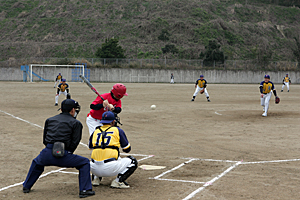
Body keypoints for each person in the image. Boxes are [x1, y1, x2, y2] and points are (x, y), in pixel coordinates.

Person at [23, 99, 95, 198]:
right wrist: (67, 154)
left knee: (37, 162)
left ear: (61, 109)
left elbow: (45, 139)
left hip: (47, 152)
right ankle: (85, 190)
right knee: (84, 162)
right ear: (73, 110)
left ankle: (26, 186)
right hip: (64, 154)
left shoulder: (50, 120)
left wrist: (50, 152)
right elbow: (75, 142)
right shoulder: (76, 123)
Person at [89, 111, 138, 189]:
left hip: (93, 168)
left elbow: (91, 146)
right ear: (113, 121)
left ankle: (95, 179)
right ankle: (118, 181)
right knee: (133, 161)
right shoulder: (118, 130)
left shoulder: (95, 131)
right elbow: (127, 149)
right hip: (110, 168)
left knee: (98, 155)